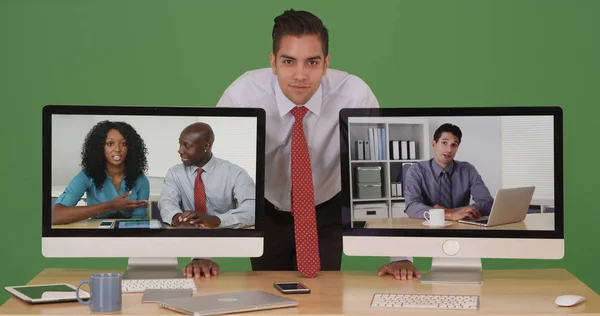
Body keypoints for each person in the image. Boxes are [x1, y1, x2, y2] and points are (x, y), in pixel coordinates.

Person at [182, 9, 418, 280]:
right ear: (273, 62)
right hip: (265, 208)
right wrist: (200, 252)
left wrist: (401, 255)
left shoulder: (355, 96)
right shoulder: (242, 95)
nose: (300, 75)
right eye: (289, 61)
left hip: (326, 209)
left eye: (312, 62)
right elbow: (213, 173)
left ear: (326, 63)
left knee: (323, 296)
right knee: (268, 297)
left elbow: (385, 174)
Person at [158, 122, 255, 231]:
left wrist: (216, 220)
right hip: (188, 236)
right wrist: (178, 219)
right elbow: (166, 202)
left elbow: (252, 208)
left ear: (206, 146)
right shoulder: (174, 173)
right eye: (180, 144)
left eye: (187, 145)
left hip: (223, 237)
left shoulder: (235, 173)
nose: (180, 150)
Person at [52, 121, 150, 225]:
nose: (117, 149)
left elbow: (137, 223)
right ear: (100, 147)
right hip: (95, 236)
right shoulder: (87, 176)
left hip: (127, 237)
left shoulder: (141, 180)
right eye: (110, 143)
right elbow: (55, 216)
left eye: (123, 143)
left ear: (131, 148)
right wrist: (109, 206)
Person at [403, 123, 494, 221]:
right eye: (444, 143)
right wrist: (449, 215)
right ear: (434, 144)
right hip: (428, 228)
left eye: (454, 145)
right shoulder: (416, 170)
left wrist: (454, 211)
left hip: (461, 228)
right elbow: (412, 206)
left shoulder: (468, 170)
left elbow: (488, 203)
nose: (449, 149)